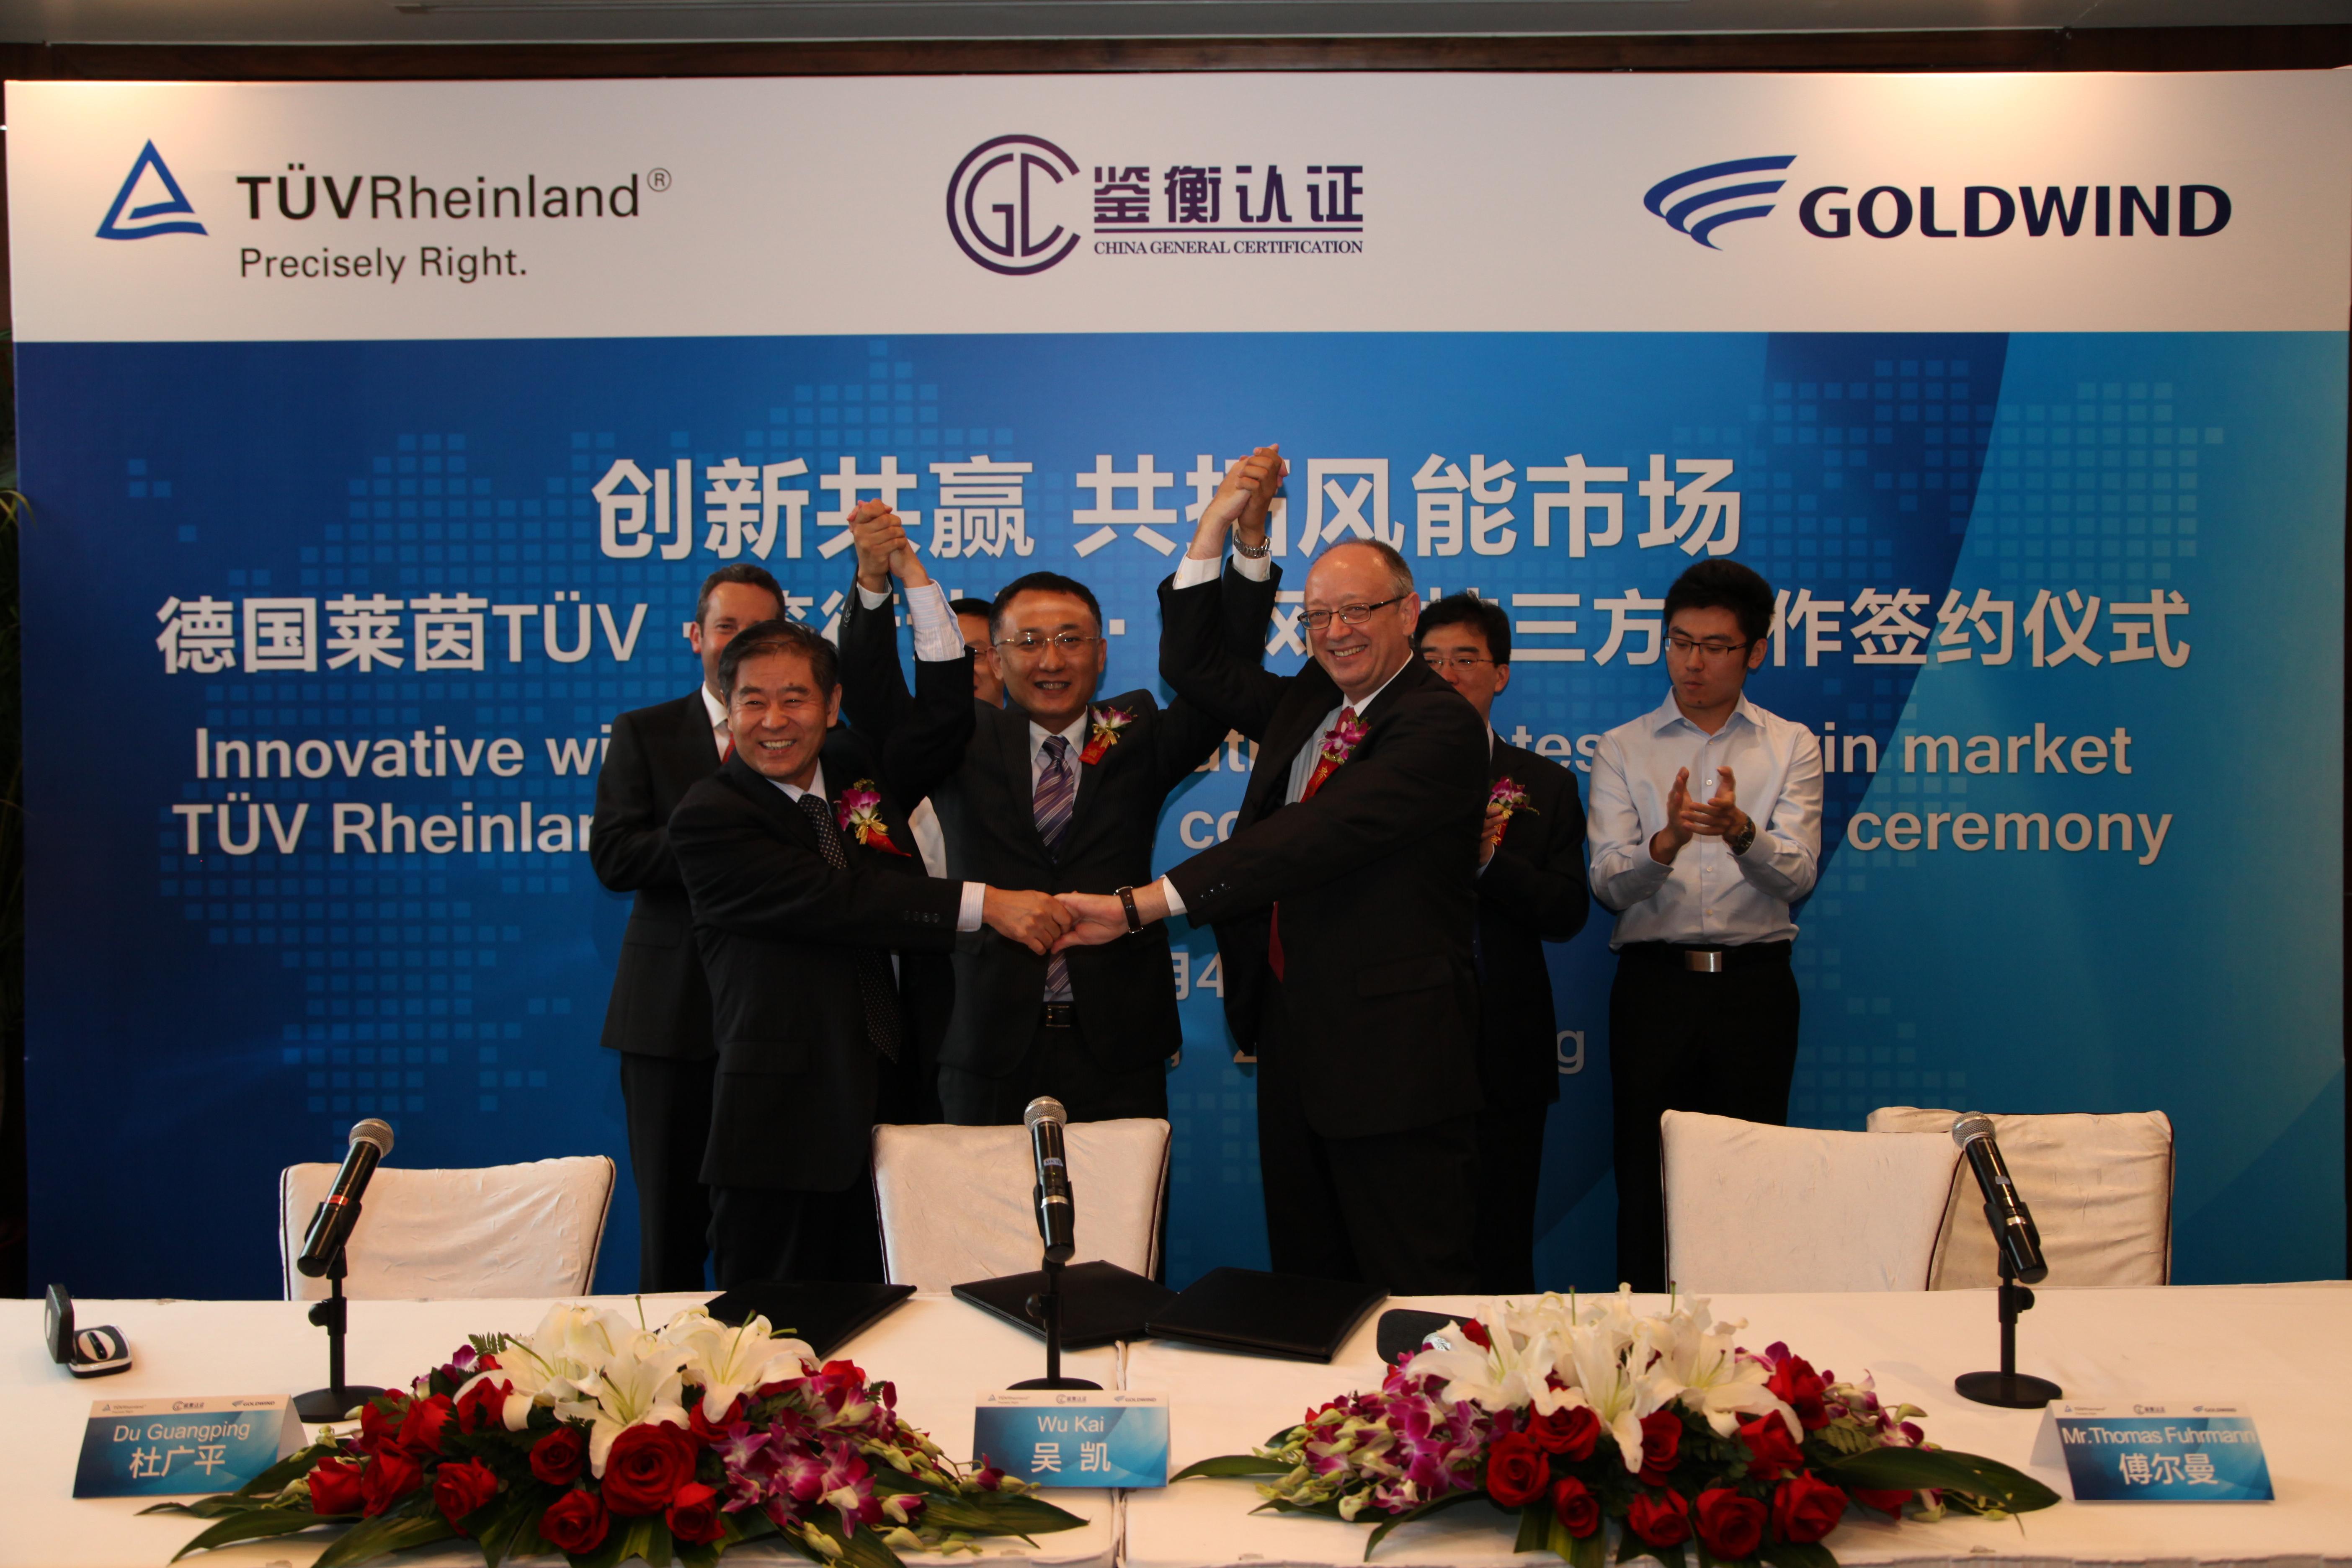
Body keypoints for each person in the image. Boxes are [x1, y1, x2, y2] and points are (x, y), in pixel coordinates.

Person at [1059, 449, 1489, 1294]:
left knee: (1412, 1288)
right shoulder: (1313, 701)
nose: (1336, 632)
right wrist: (1224, 530)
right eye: (1318, 615)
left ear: (1408, 612)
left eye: (1357, 610)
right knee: (1311, 1285)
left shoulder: (1436, 725)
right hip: (1294, 1039)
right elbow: (1194, 669)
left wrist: (1144, 905)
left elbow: (1312, 836)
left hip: (1395, 1060)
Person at [835, 494, 1280, 1127]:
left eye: (1072, 640)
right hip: (985, 1047)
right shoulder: (959, 740)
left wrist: (1250, 545)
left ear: (1102, 652)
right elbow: (874, 699)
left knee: (1124, 1198)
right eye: (1029, 642)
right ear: (995, 658)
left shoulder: (1137, 732)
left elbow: (1223, 678)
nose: (1051, 660)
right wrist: (875, 580)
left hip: (1120, 1048)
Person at [668, 619, 1073, 1285]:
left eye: (795, 699)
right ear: (727, 707)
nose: (774, 721)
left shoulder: (852, 767)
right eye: (752, 701)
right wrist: (988, 904)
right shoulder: (710, 816)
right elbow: (841, 900)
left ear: (832, 705)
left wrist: (906, 583)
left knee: (904, 1319)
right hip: (784, 1132)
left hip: (899, 1104)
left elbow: (941, 726)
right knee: (780, 1332)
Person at [1585, 558, 1821, 1294]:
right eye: (1680, 643)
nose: (1693, 663)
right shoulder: (1624, 747)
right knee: (1645, 1180)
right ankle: (1642, 1339)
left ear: (1755, 651)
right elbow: (1607, 883)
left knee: (1753, 1181)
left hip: (1755, 991)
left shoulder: (1790, 745)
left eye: (1716, 646)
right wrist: (1666, 844)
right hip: (1655, 991)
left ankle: (1752, 1343)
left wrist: (1741, 832)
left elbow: (1798, 877)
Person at [588, 562, 782, 1292]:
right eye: (727, 627)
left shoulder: (805, 734)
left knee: (763, 1232)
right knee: (670, 1232)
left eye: (761, 628)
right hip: (668, 1018)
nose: (742, 641)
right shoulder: (647, 732)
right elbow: (616, 856)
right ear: (696, 636)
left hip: (775, 1018)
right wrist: (720, 835)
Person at [1414, 593, 1590, 1295]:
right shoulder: (1372, 776)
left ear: (1501, 674)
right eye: (1430, 661)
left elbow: (1567, 911)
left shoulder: (1544, 784)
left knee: (1501, 1239)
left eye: (1465, 659)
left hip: (1505, 1047)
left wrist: (1489, 862)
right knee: (1410, 1243)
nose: (1448, 675)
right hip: (1401, 1046)